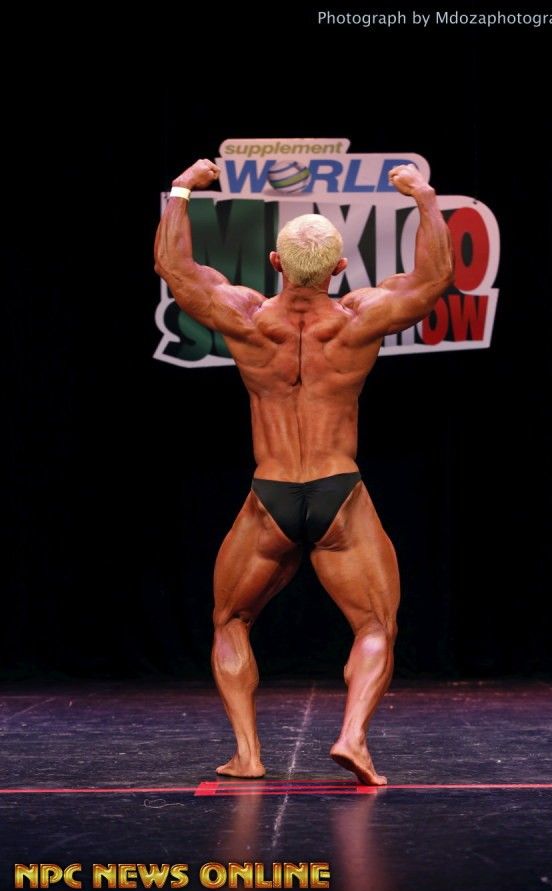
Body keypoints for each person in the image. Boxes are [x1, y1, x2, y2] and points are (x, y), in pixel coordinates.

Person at [154, 158, 453, 785]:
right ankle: (352, 738)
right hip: (338, 490)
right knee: (375, 625)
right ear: (339, 268)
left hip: (271, 494)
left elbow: (175, 269)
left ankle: (248, 754)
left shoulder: (246, 318)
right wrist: (423, 197)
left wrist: (183, 189)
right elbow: (434, 278)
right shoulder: (358, 319)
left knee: (230, 621)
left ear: (275, 263)